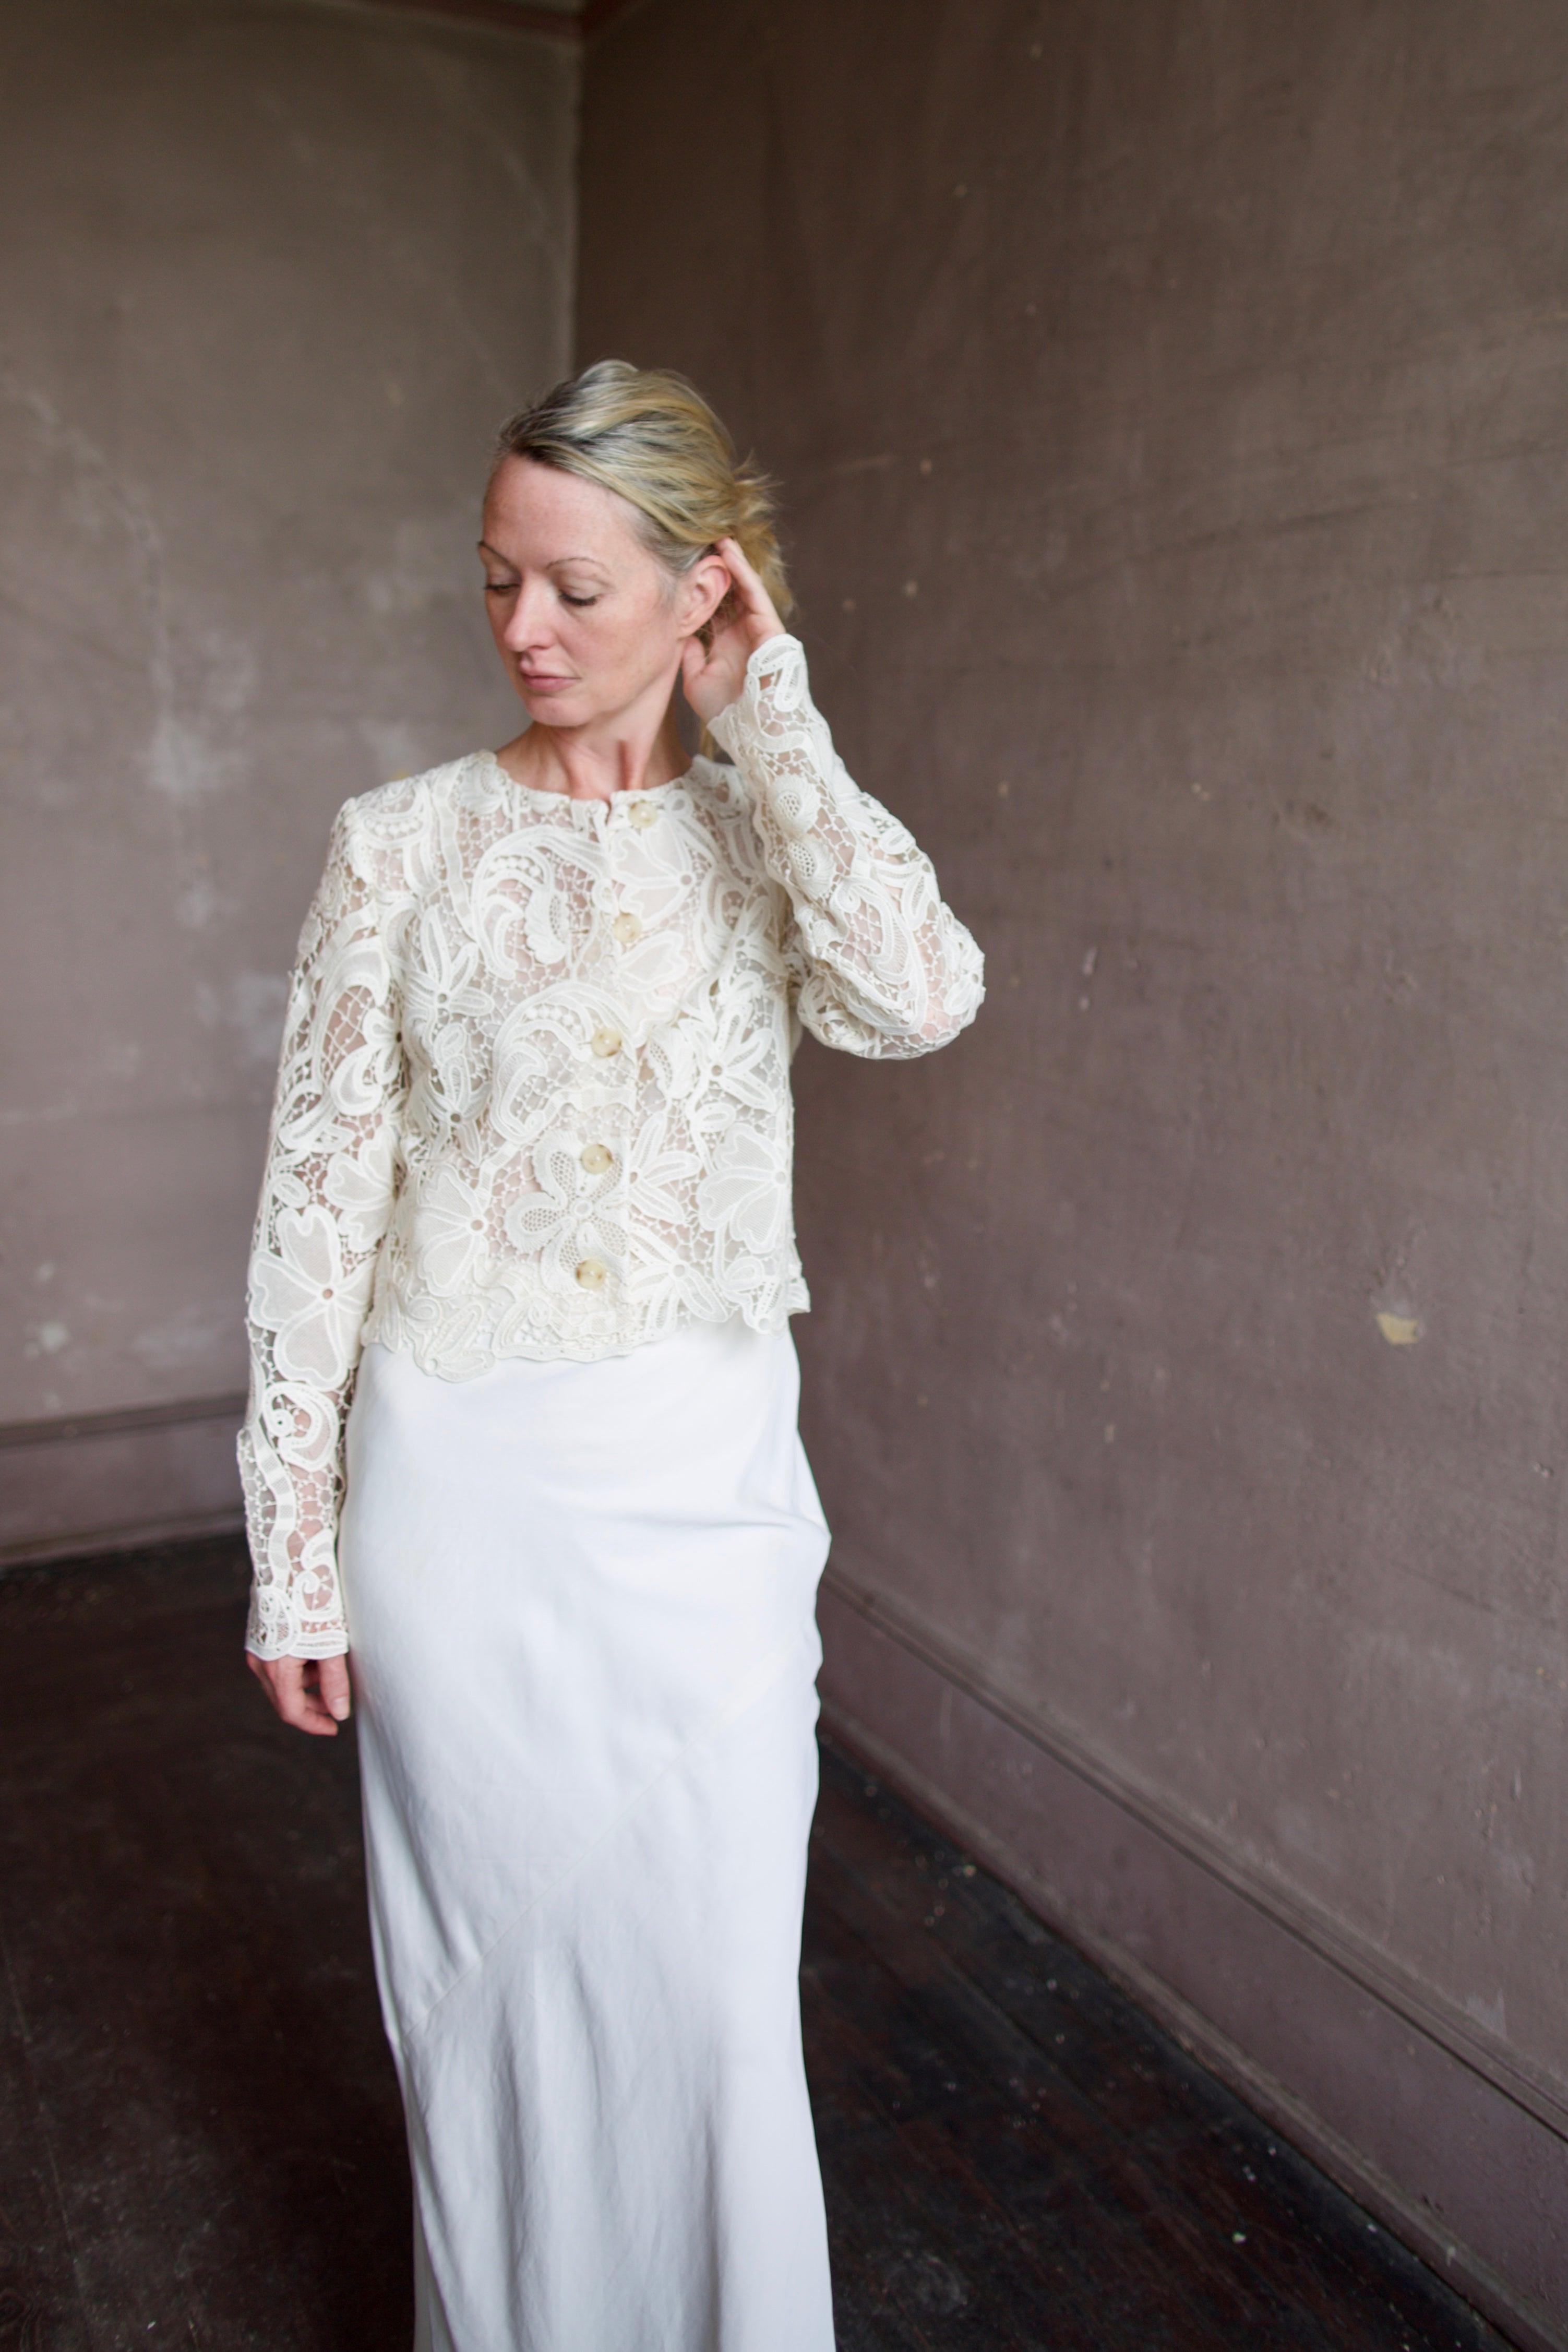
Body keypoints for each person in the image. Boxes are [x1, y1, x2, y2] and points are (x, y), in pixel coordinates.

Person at [238, 359, 985, 2352]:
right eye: (496, 584)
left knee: (717, 1996)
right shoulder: (395, 847)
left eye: (575, 587)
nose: (526, 632)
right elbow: (315, 1212)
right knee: (481, 2002)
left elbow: (919, 1000)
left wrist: (782, 717)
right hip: (456, 1503)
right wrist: (290, 1547)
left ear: (700, 589)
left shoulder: (765, 836)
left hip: (701, 1499)